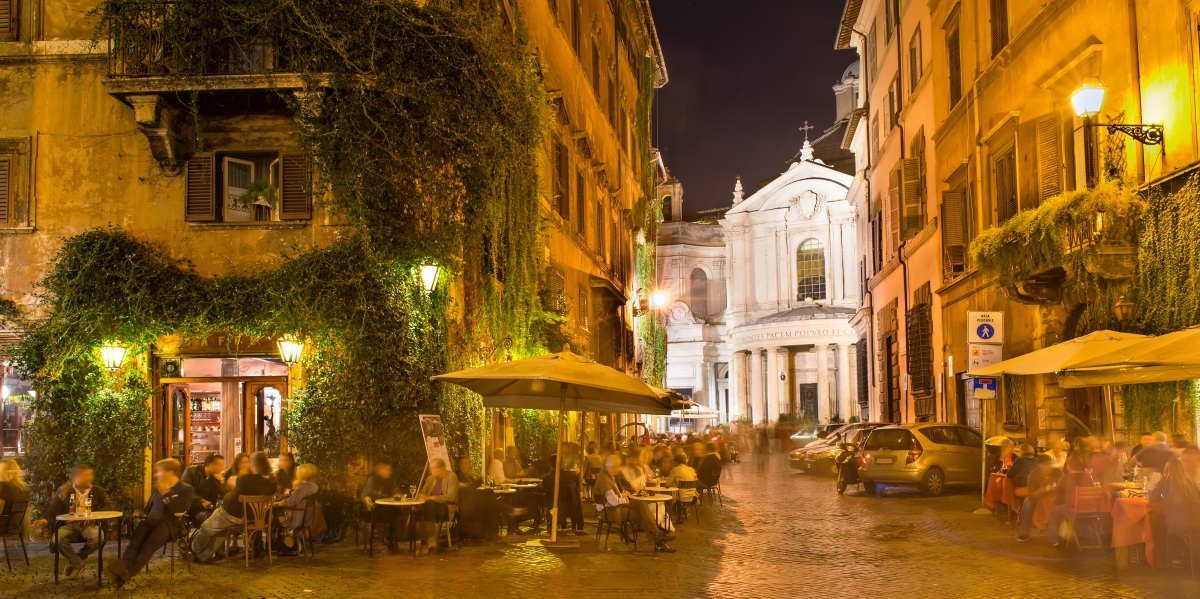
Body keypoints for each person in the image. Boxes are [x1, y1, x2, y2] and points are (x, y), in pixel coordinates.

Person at [105, 459, 194, 588]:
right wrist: (140, 511)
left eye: (159, 471)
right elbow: (149, 509)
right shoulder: (159, 489)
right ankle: (123, 569)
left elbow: (179, 509)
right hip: (150, 521)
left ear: (170, 472)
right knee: (135, 542)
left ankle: (125, 573)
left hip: (169, 524)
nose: (156, 475)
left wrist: (166, 494)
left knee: (148, 546)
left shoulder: (185, 489)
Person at [191, 452, 277, 562]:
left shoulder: (245, 479)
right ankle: (201, 556)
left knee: (205, 529)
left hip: (230, 514)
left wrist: (238, 475)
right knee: (221, 533)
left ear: (254, 465)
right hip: (251, 518)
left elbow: (231, 480)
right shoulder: (272, 481)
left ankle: (194, 550)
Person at [593, 454, 674, 552]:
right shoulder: (605, 480)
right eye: (617, 466)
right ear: (611, 466)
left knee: (640, 504)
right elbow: (614, 502)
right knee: (641, 513)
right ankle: (658, 539)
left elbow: (611, 497)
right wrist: (624, 499)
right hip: (610, 512)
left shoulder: (606, 475)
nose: (619, 469)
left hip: (612, 508)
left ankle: (657, 535)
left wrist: (622, 495)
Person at [46, 465, 112, 579]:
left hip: (89, 525)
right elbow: (52, 512)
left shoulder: (97, 491)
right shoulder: (65, 490)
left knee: (98, 538)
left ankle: (76, 560)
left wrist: (95, 516)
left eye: (90, 475)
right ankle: (78, 564)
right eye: (85, 476)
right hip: (68, 524)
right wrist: (59, 497)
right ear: (75, 477)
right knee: (57, 538)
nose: (89, 478)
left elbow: (108, 507)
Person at [415, 458, 459, 556]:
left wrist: (430, 498)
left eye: (434, 468)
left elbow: (450, 497)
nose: (432, 471)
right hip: (430, 506)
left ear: (442, 468)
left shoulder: (451, 476)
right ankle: (426, 542)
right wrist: (423, 496)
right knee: (421, 508)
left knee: (429, 504)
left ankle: (428, 542)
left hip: (445, 507)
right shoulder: (431, 478)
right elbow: (422, 492)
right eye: (431, 468)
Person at [1015, 454, 1063, 542]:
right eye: (1047, 464)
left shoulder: (1058, 472)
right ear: (1040, 465)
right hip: (1038, 498)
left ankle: (1058, 533)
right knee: (1027, 503)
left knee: (1060, 505)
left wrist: (1056, 489)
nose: (1050, 467)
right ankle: (1024, 533)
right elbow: (1031, 494)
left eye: (1051, 464)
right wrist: (1044, 490)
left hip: (1054, 498)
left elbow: (1063, 488)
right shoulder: (1034, 474)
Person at [275, 463, 319, 552]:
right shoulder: (314, 486)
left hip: (295, 517)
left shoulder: (304, 487)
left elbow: (292, 502)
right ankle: (288, 543)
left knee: (271, 517)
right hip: (305, 517)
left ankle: (279, 545)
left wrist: (278, 503)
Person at [181, 453, 225, 526]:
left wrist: (221, 482)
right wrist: (201, 500)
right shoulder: (191, 471)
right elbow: (185, 490)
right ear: (209, 464)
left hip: (208, 508)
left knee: (223, 516)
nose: (221, 467)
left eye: (222, 465)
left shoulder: (215, 477)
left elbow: (223, 495)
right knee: (210, 518)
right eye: (218, 464)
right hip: (191, 508)